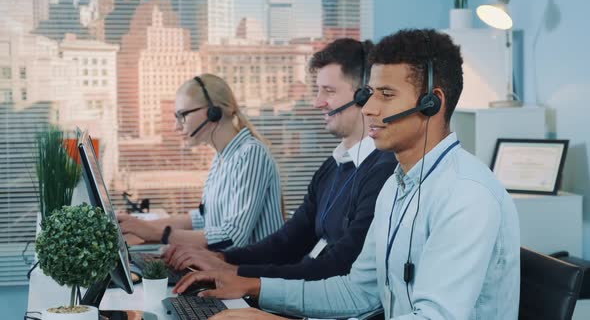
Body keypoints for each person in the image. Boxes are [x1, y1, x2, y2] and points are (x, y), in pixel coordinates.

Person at [174, 29, 521, 320]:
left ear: (433, 103)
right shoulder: (398, 187)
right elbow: (357, 291)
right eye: (369, 94)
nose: (368, 108)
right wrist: (254, 287)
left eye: (386, 95)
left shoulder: (467, 195)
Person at [163, 38, 397, 281]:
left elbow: (336, 267)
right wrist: (223, 260)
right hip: (302, 291)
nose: (317, 102)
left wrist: (237, 274)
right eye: (317, 91)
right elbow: (288, 241)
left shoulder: (382, 174)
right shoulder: (332, 167)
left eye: (328, 91)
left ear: (363, 96)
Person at [117, 74, 284, 250]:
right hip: (229, 266)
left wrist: (158, 234)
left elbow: (231, 237)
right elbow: (204, 218)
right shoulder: (222, 157)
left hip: (255, 273)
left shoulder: (251, 154)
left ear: (213, 113)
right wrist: (138, 226)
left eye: (182, 115)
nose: (176, 126)